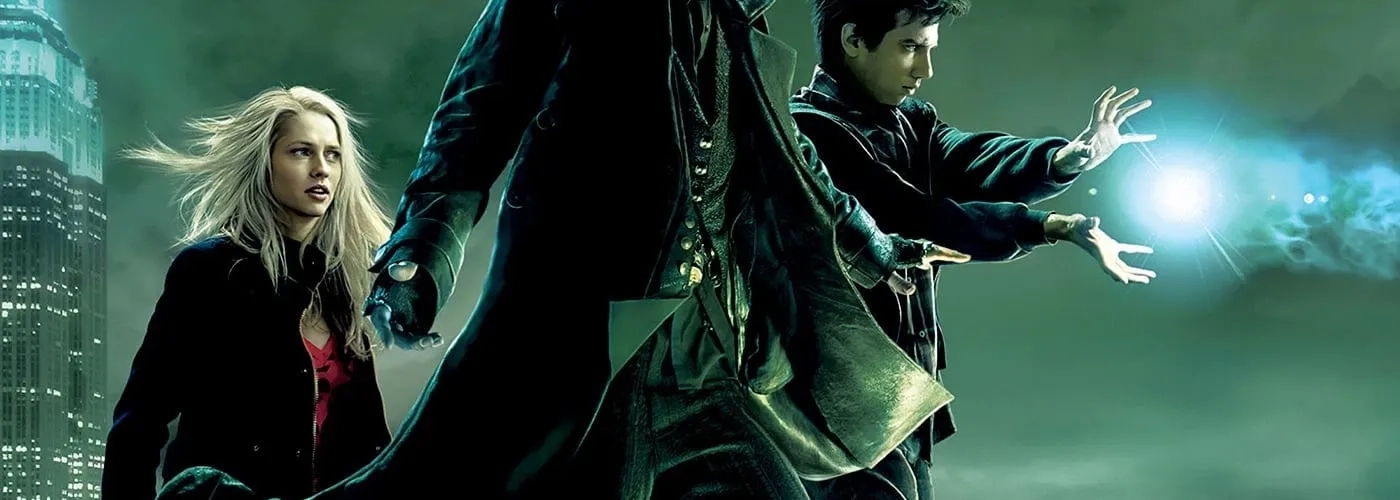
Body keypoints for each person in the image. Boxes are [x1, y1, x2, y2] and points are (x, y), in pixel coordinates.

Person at [153, 0, 971, 499]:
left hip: (702, 363)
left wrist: (880, 249)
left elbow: (796, 172)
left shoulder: (741, 33)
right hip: (581, 352)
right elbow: (474, 118)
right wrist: (418, 258)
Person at [791, 1, 1158, 499]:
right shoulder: (808, 132)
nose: (924, 69)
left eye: (929, 48)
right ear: (854, 40)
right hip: (836, 397)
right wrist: (1055, 225)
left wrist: (1066, 157)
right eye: (909, 47)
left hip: (903, 388)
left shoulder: (908, 121)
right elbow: (915, 217)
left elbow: (970, 158)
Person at [102, 86, 395, 500]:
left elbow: (371, 442)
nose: (321, 169)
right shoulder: (210, 271)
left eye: (333, 155)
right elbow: (140, 421)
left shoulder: (343, 285)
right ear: (264, 164)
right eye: (301, 152)